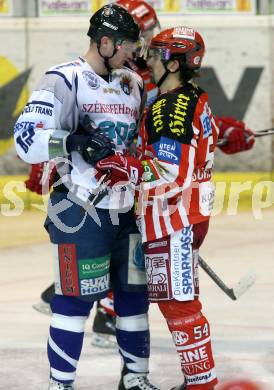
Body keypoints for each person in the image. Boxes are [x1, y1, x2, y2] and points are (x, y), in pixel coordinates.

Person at [28, 0, 255, 350]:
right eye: (141, 33)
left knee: (127, 263)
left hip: (132, 183)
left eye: (147, 32)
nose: (144, 42)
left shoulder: (140, 77)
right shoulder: (95, 74)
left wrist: (219, 131)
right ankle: (100, 311)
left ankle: (109, 314)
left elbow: (175, 127)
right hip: (101, 184)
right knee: (94, 257)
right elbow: (59, 126)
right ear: (110, 41)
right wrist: (47, 160)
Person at [15, 4, 160, 390]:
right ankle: (60, 384)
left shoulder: (133, 82)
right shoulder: (63, 80)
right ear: (105, 42)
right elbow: (25, 141)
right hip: (79, 210)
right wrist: (73, 139)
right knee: (74, 301)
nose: (136, 51)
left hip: (127, 209)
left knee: (132, 299)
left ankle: (135, 379)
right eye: (129, 44)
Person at [95, 26, 219, 389]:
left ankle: (202, 384)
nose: (148, 59)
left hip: (171, 218)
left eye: (155, 54)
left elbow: (169, 173)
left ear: (173, 62)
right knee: (176, 301)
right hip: (181, 216)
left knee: (179, 304)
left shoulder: (169, 108)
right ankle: (200, 382)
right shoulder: (191, 96)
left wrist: (125, 167)